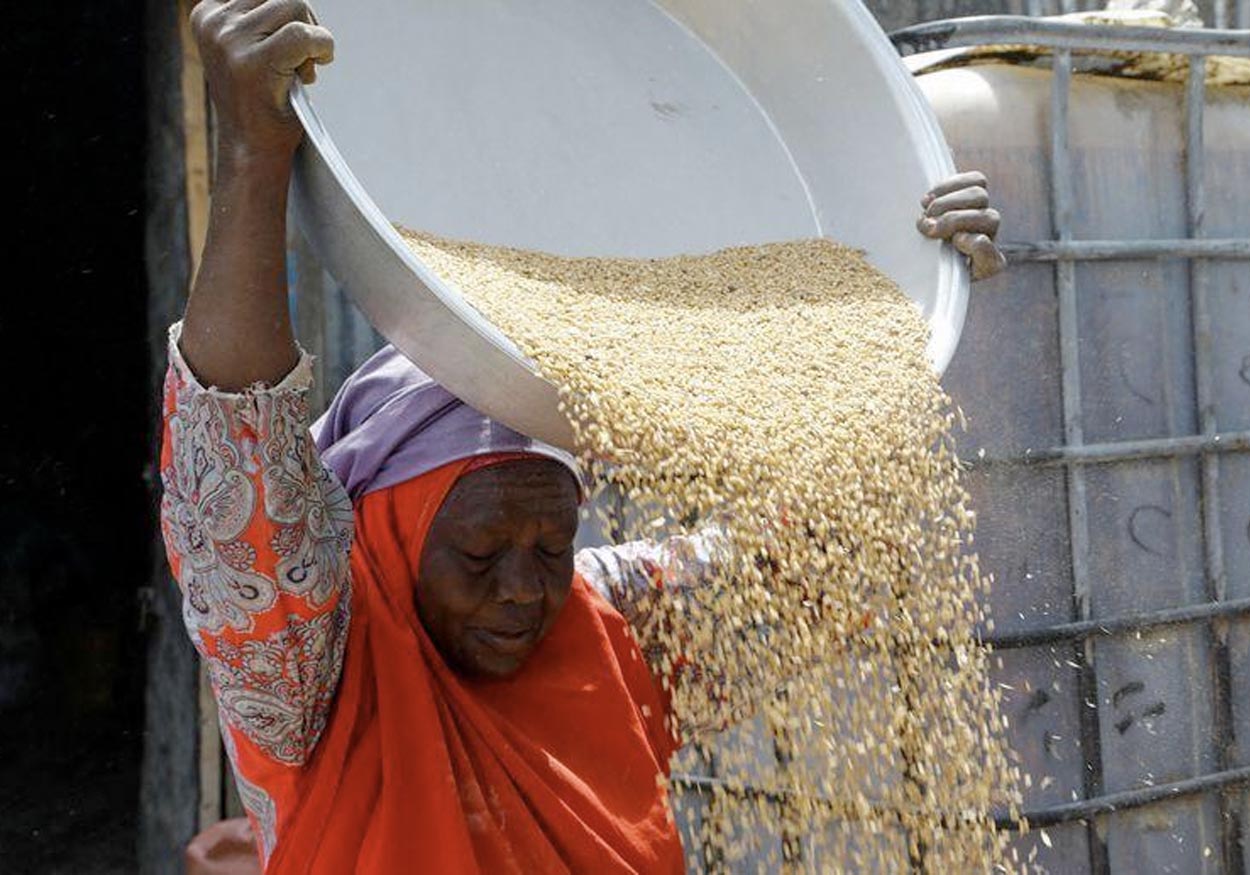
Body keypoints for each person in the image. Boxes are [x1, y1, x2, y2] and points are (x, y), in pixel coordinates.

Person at [166, 2, 1007, 873]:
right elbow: (235, 441)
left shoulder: (607, 622)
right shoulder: (315, 662)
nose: (524, 590)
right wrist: (252, 157)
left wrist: (914, 301)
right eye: (482, 551)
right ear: (394, 530)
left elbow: (843, 549)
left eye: (552, 544)